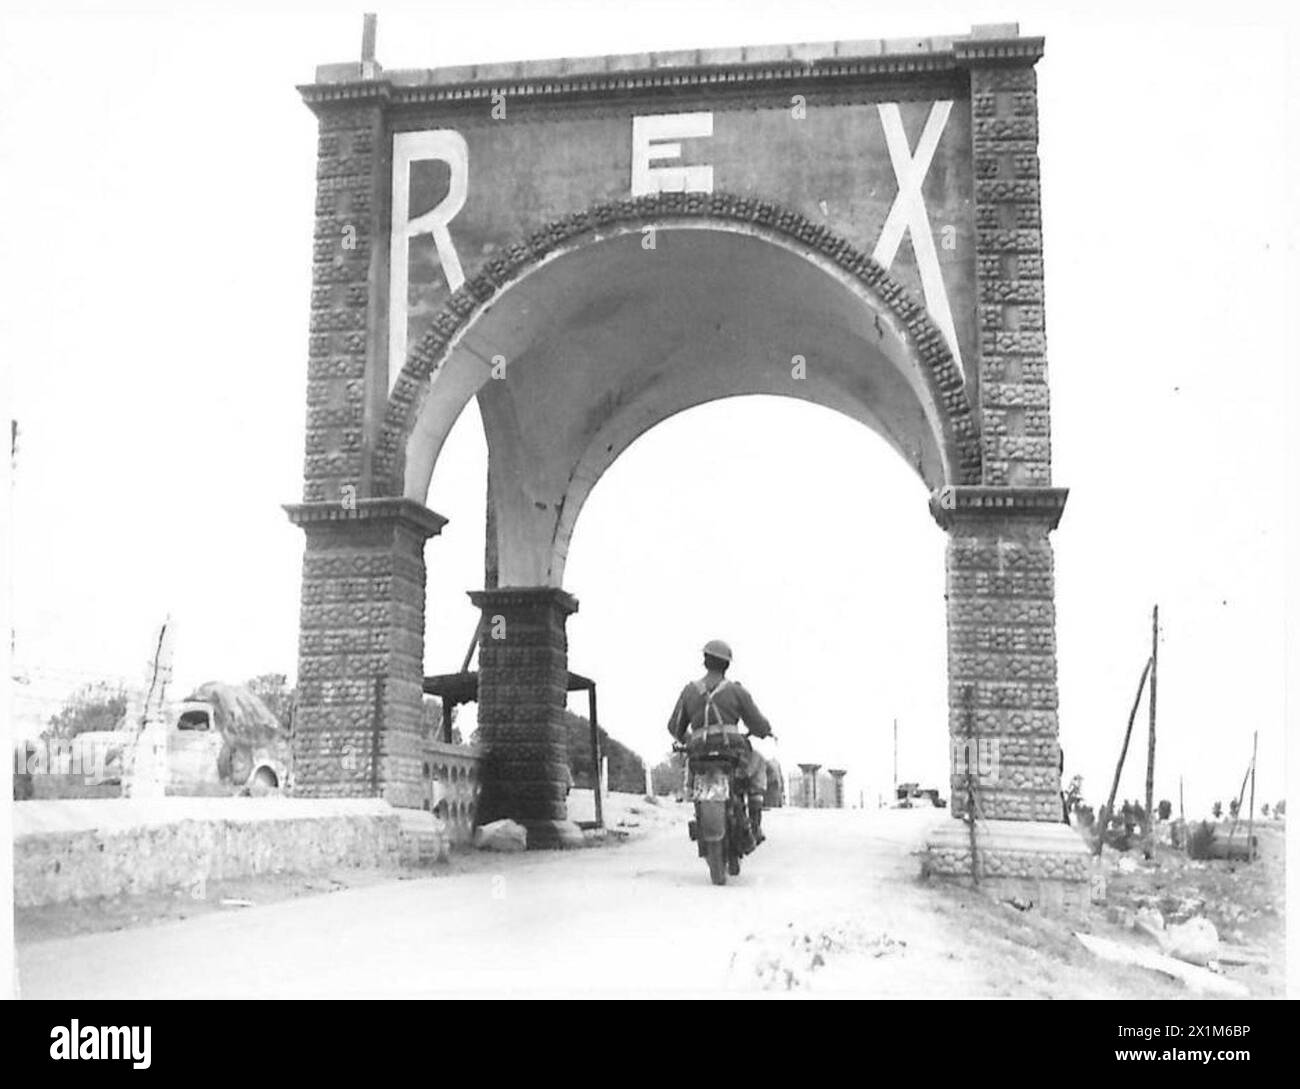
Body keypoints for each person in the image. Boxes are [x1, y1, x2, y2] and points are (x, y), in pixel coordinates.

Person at [667, 639, 773, 848]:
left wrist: (690, 740)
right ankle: (755, 824)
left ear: (705, 661)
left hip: (699, 754)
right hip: (731, 753)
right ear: (727, 665)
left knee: (691, 777)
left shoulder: (689, 691)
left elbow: (674, 727)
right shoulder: (736, 691)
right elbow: (757, 723)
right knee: (758, 765)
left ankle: (698, 812)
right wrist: (765, 731)